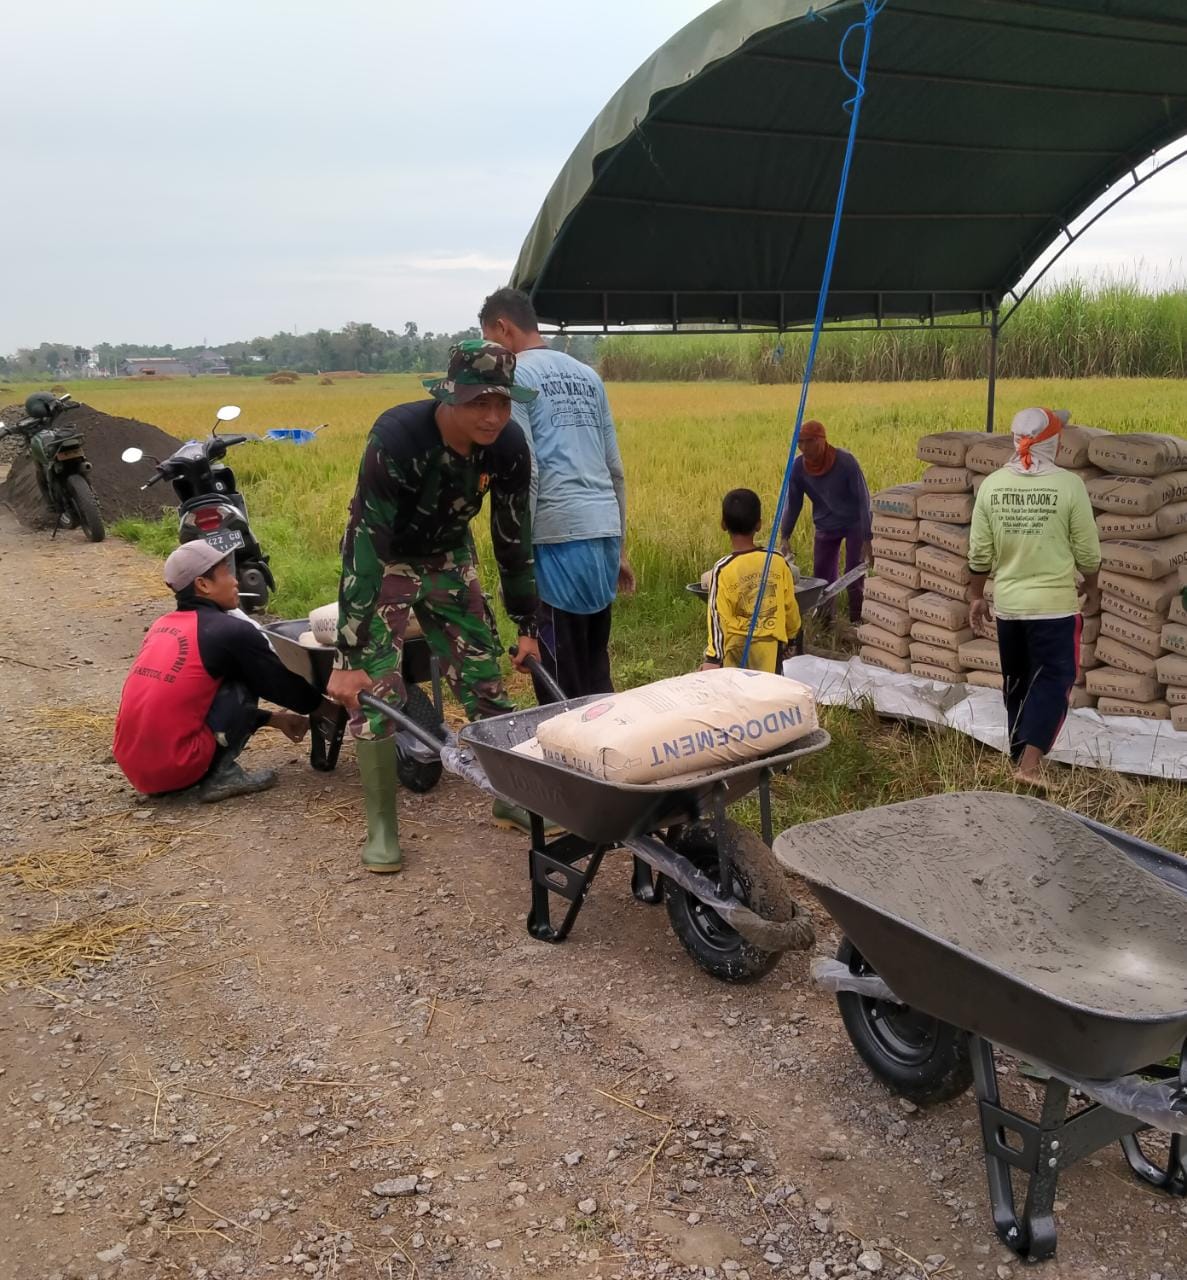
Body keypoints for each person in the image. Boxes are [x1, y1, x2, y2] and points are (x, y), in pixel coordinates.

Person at [325, 340, 544, 874]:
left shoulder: (509, 446)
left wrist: (526, 621)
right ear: (450, 396)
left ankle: (508, 794)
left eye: (503, 403)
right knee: (377, 688)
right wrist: (348, 653)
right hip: (388, 558)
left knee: (484, 675)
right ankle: (382, 828)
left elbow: (513, 537)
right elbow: (366, 540)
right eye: (478, 404)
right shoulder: (398, 437)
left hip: (449, 554)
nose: (493, 417)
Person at [478, 287, 634, 702]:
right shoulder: (588, 375)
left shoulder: (514, 375)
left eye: (489, 342)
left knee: (558, 679)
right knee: (595, 666)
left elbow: (525, 472)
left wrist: (519, 562)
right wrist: (618, 548)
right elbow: (614, 469)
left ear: (502, 327)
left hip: (556, 538)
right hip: (601, 532)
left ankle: (570, 761)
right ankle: (610, 755)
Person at [113, 542, 321, 802]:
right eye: (226, 573)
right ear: (203, 585)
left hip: (136, 769)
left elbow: (183, 703)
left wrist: (274, 720)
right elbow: (284, 688)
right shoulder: (229, 631)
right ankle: (221, 775)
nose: (235, 581)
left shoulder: (162, 626)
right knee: (244, 673)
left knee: (212, 676)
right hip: (177, 767)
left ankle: (192, 772)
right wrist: (324, 706)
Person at [968, 407, 1102, 788]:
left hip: (1009, 607)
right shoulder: (1068, 486)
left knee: (1018, 681)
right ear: (1053, 442)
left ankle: (1017, 756)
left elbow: (979, 552)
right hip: (1054, 609)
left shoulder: (992, 486)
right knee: (1054, 679)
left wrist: (977, 597)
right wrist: (1091, 585)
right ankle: (1028, 768)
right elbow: (1088, 552)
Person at [778, 420, 872, 632]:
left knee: (854, 573)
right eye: (800, 443)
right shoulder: (798, 467)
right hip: (826, 524)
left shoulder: (846, 462)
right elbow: (793, 502)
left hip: (854, 522)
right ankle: (825, 621)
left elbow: (863, 500)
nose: (804, 448)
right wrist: (785, 535)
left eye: (809, 442)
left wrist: (868, 537)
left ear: (822, 440)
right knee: (822, 576)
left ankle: (858, 620)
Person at [702, 488, 801, 673]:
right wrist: (792, 637)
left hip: (736, 651)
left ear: (723, 524)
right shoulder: (778, 561)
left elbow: (717, 616)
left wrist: (713, 657)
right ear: (759, 525)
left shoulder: (723, 569)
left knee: (738, 697)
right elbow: (790, 605)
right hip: (771, 650)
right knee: (768, 695)